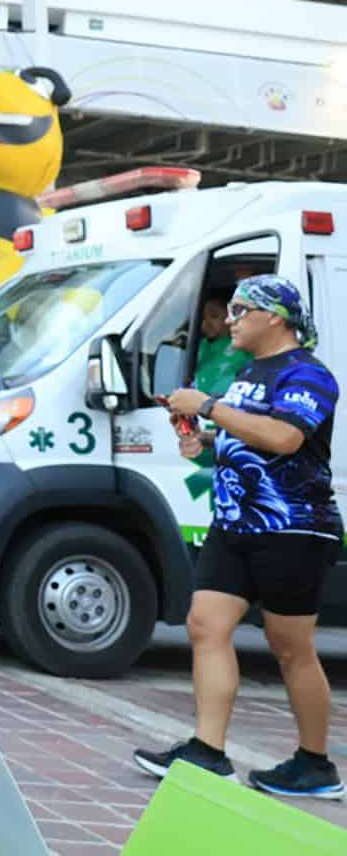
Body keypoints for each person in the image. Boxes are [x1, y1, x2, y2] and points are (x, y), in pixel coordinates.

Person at [139, 274, 342, 799]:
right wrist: (202, 438)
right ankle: (207, 752)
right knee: (205, 625)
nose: (227, 319)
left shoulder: (307, 374)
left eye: (239, 309)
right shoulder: (250, 372)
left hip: (293, 529)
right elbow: (245, 434)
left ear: (274, 317)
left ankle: (316, 764)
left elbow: (284, 435)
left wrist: (207, 406)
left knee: (292, 648)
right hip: (235, 525)